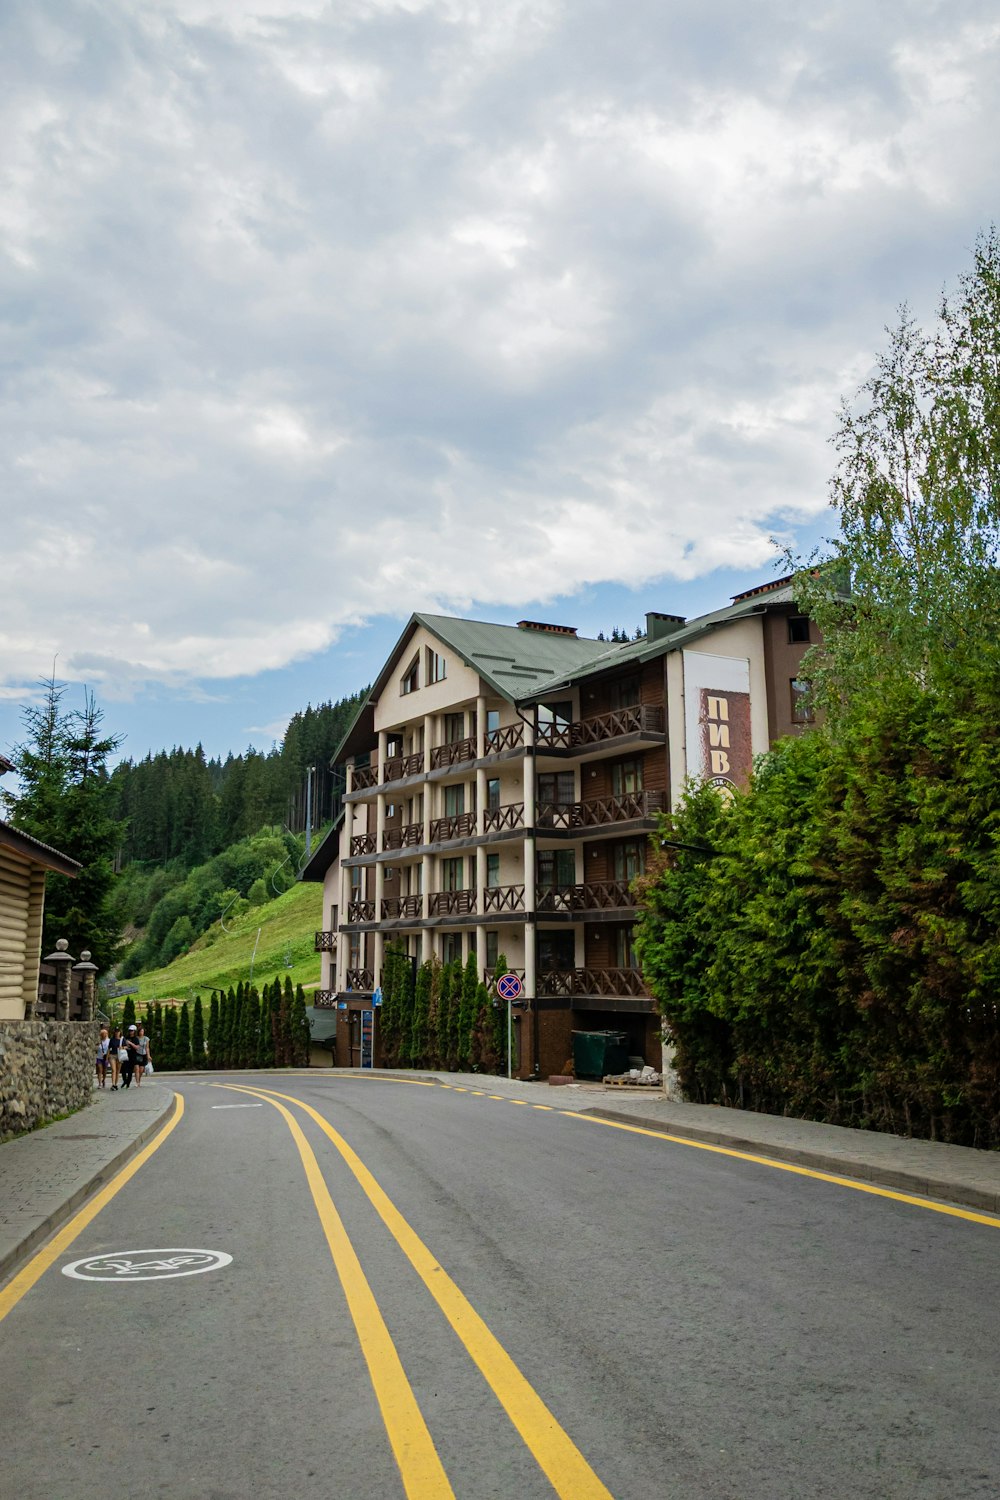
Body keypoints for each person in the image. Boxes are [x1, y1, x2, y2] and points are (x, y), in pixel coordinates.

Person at [121, 1024, 138, 1089]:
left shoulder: (136, 1039)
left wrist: (130, 1043)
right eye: (130, 1030)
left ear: (134, 1031)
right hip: (125, 1055)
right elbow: (123, 1045)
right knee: (123, 1069)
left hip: (132, 1055)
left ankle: (128, 1082)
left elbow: (137, 1047)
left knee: (130, 1070)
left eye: (132, 1031)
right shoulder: (126, 1037)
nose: (131, 1032)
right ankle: (125, 1080)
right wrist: (125, 1047)